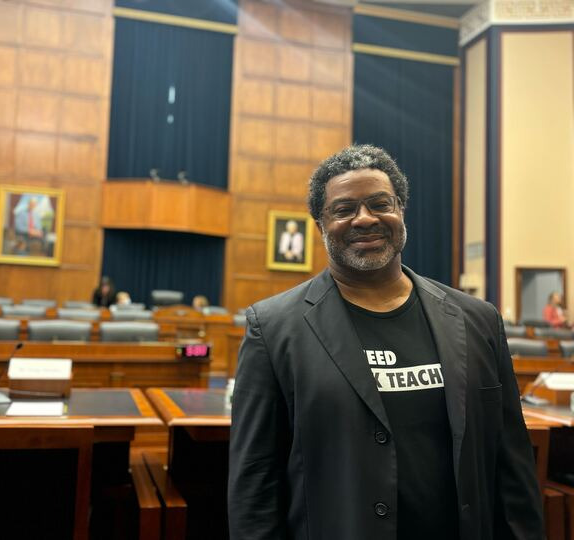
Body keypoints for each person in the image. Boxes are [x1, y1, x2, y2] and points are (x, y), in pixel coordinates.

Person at [228, 145, 543, 539]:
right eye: (344, 210)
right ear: (320, 224)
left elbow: (511, 463)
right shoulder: (273, 328)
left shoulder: (477, 319)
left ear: (401, 212)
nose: (365, 219)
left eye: (380, 204)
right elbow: (255, 479)